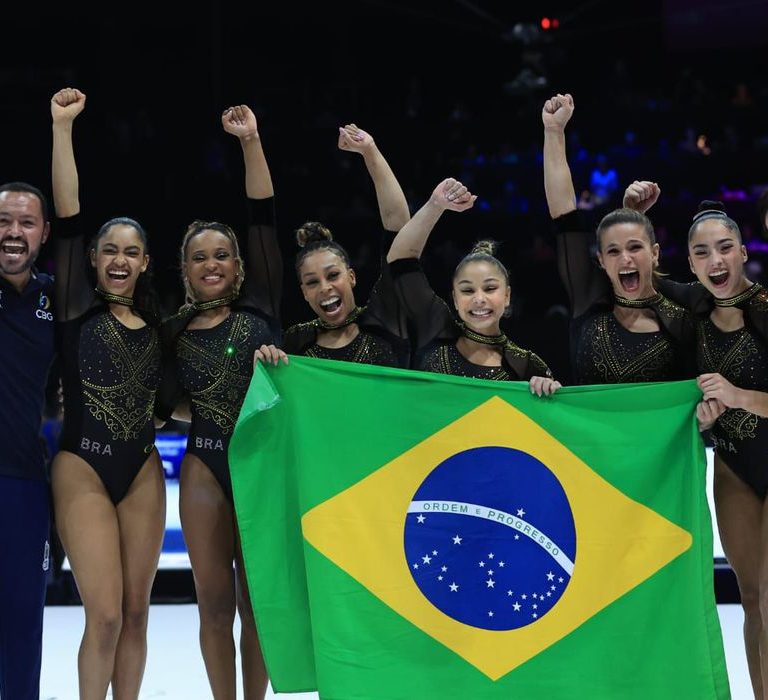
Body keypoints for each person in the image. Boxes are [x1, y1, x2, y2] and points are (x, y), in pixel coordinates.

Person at [156, 104, 283, 700]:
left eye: (221, 255)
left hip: (262, 466)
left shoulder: (262, 306)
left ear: (238, 265)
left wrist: (250, 141)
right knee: (213, 606)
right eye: (199, 256)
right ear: (184, 269)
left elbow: (261, 213)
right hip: (206, 464)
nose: (212, 264)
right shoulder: (173, 329)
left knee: (257, 607)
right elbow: (161, 404)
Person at [50, 87, 165, 700]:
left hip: (142, 465)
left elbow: (186, 393)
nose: (119, 260)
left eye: (131, 252)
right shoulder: (73, 307)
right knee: (107, 615)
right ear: (92, 260)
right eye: (109, 250)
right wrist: (62, 128)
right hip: (82, 465)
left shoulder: (162, 329)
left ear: (145, 262)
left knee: (139, 614)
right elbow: (66, 216)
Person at [541, 93, 718, 415]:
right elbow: (565, 216)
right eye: (613, 251)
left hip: (658, 458)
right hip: (590, 455)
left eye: (635, 247)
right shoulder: (589, 297)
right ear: (600, 261)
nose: (625, 258)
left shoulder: (683, 314)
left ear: (655, 253)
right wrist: (554, 132)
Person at [386, 177, 560, 394]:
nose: (479, 299)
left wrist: (551, 392)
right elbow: (400, 260)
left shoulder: (525, 364)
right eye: (467, 290)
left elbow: (555, 422)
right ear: (455, 299)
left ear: (507, 296)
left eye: (489, 288)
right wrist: (435, 205)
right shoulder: (435, 328)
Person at [281, 123, 412, 366]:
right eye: (312, 282)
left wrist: (369, 150)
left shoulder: (382, 318)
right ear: (303, 292)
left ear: (351, 276)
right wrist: (266, 360)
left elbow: (400, 229)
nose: (324, 287)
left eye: (333, 275)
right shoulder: (296, 342)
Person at [0, 181, 54, 700]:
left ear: (43, 233)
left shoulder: (54, 302)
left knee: (22, 621)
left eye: (26, 222)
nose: (13, 233)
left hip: (23, 484)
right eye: (3, 222)